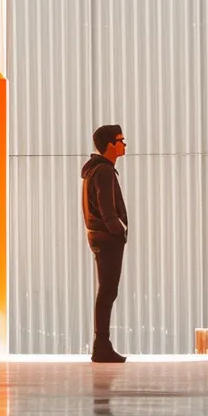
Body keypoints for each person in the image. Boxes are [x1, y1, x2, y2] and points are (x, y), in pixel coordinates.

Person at [81, 124, 130, 363]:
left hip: (100, 235)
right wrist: (117, 231)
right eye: (120, 140)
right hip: (106, 237)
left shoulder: (98, 169)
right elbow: (106, 207)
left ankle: (102, 345)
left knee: (107, 291)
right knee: (108, 291)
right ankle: (101, 346)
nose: (124, 144)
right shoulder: (103, 171)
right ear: (110, 145)